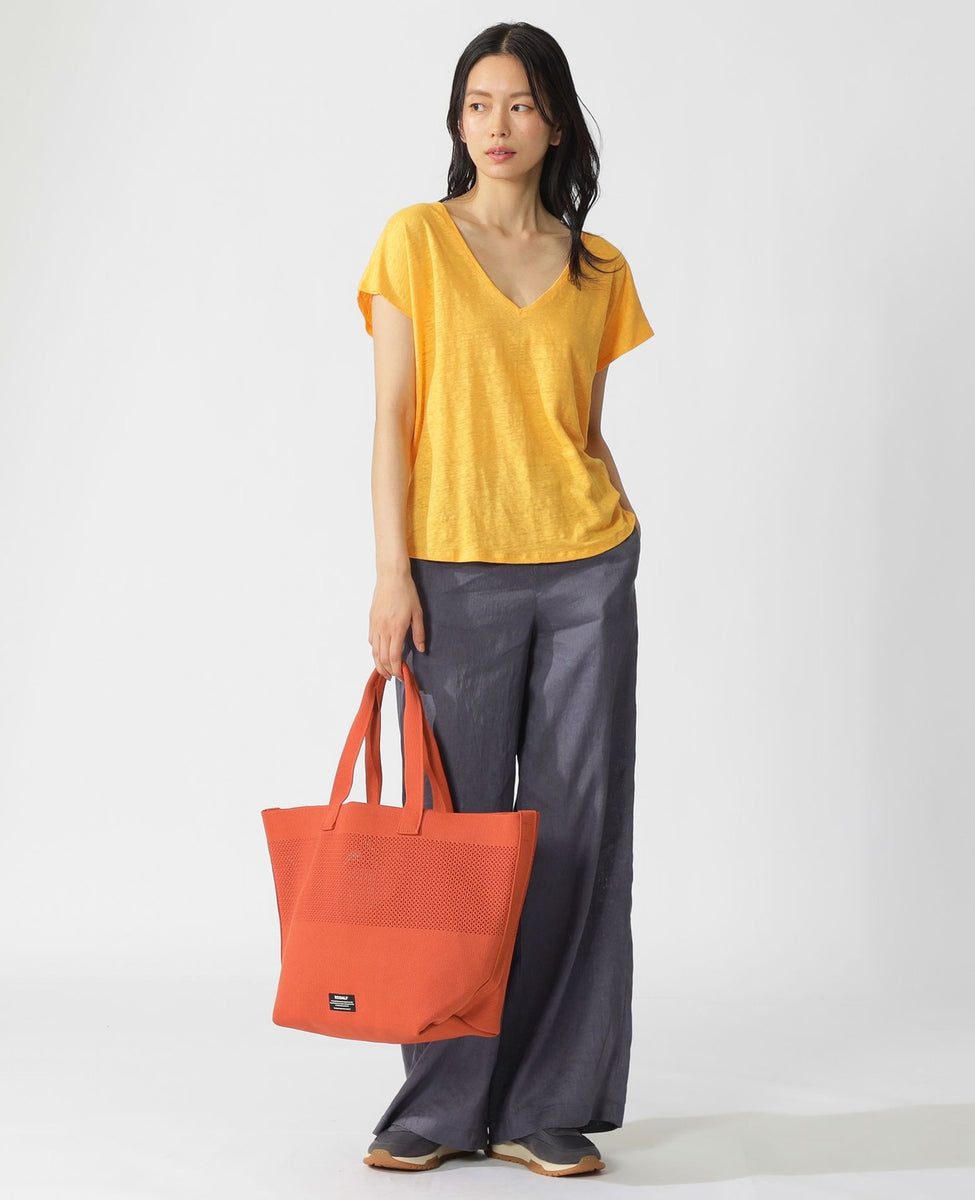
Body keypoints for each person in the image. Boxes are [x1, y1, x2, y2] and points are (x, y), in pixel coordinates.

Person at [355, 20, 654, 1178]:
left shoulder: (598, 269)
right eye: (478, 102)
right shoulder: (416, 241)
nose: (498, 123)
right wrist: (392, 571)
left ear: (555, 121)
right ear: (456, 119)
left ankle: (544, 1102)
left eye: (520, 103)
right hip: (453, 574)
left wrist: (615, 534)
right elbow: (391, 418)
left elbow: (582, 430)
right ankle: (439, 1102)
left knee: (578, 832)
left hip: (587, 569)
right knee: (456, 838)